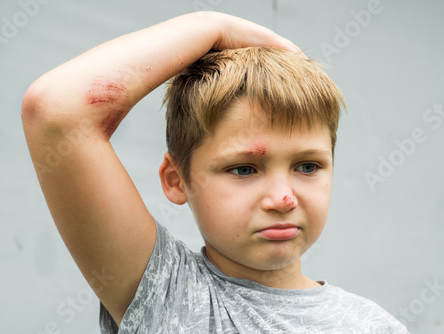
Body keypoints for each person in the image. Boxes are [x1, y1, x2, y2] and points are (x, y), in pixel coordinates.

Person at [22, 11, 408, 333]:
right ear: (177, 180)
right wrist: (212, 26)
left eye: (307, 166)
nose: (283, 198)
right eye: (244, 169)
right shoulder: (168, 295)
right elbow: (56, 109)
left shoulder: (376, 325)